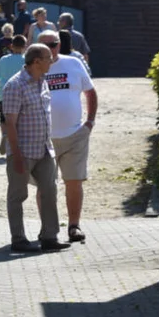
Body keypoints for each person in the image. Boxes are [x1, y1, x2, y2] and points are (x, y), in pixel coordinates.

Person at [0, 43, 70, 253]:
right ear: (36, 61)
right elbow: (9, 123)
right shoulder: (15, 85)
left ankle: (49, 236)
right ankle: (18, 239)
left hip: (44, 149)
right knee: (17, 195)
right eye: (49, 57)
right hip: (22, 151)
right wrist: (17, 155)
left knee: (50, 190)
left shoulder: (43, 82)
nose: (53, 60)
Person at [42, 30, 98, 243]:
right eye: (45, 45)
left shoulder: (74, 63)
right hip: (43, 136)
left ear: (60, 44)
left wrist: (89, 122)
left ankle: (74, 225)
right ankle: (48, 228)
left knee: (74, 182)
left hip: (75, 134)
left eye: (54, 44)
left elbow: (90, 92)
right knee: (45, 185)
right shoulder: (31, 67)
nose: (50, 49)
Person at [0, 35, 28, 154]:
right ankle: (18, 141)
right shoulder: (26, 60)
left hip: (5, 94)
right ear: (25, 46)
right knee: (19, 119)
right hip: (22, 95)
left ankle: (4, 134)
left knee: (4, 118)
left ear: (11, 46)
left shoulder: (3, 59)